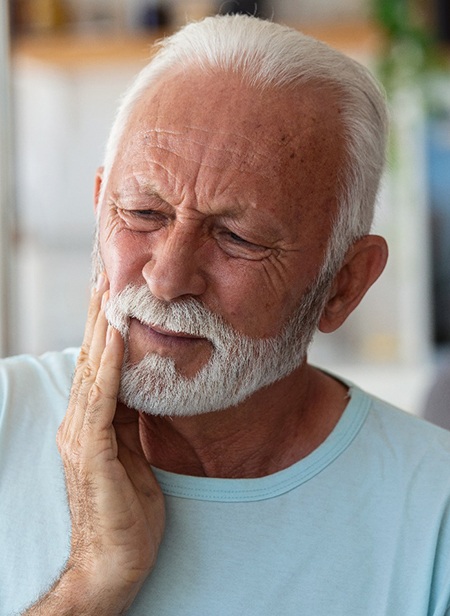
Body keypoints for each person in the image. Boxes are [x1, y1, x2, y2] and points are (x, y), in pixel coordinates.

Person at [1, 14, 450, 615]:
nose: (166, 277)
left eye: (237, 237)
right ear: (99, 203)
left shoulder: (434, 515)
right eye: (142, 212)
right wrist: (90, 585)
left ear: (343, 285)